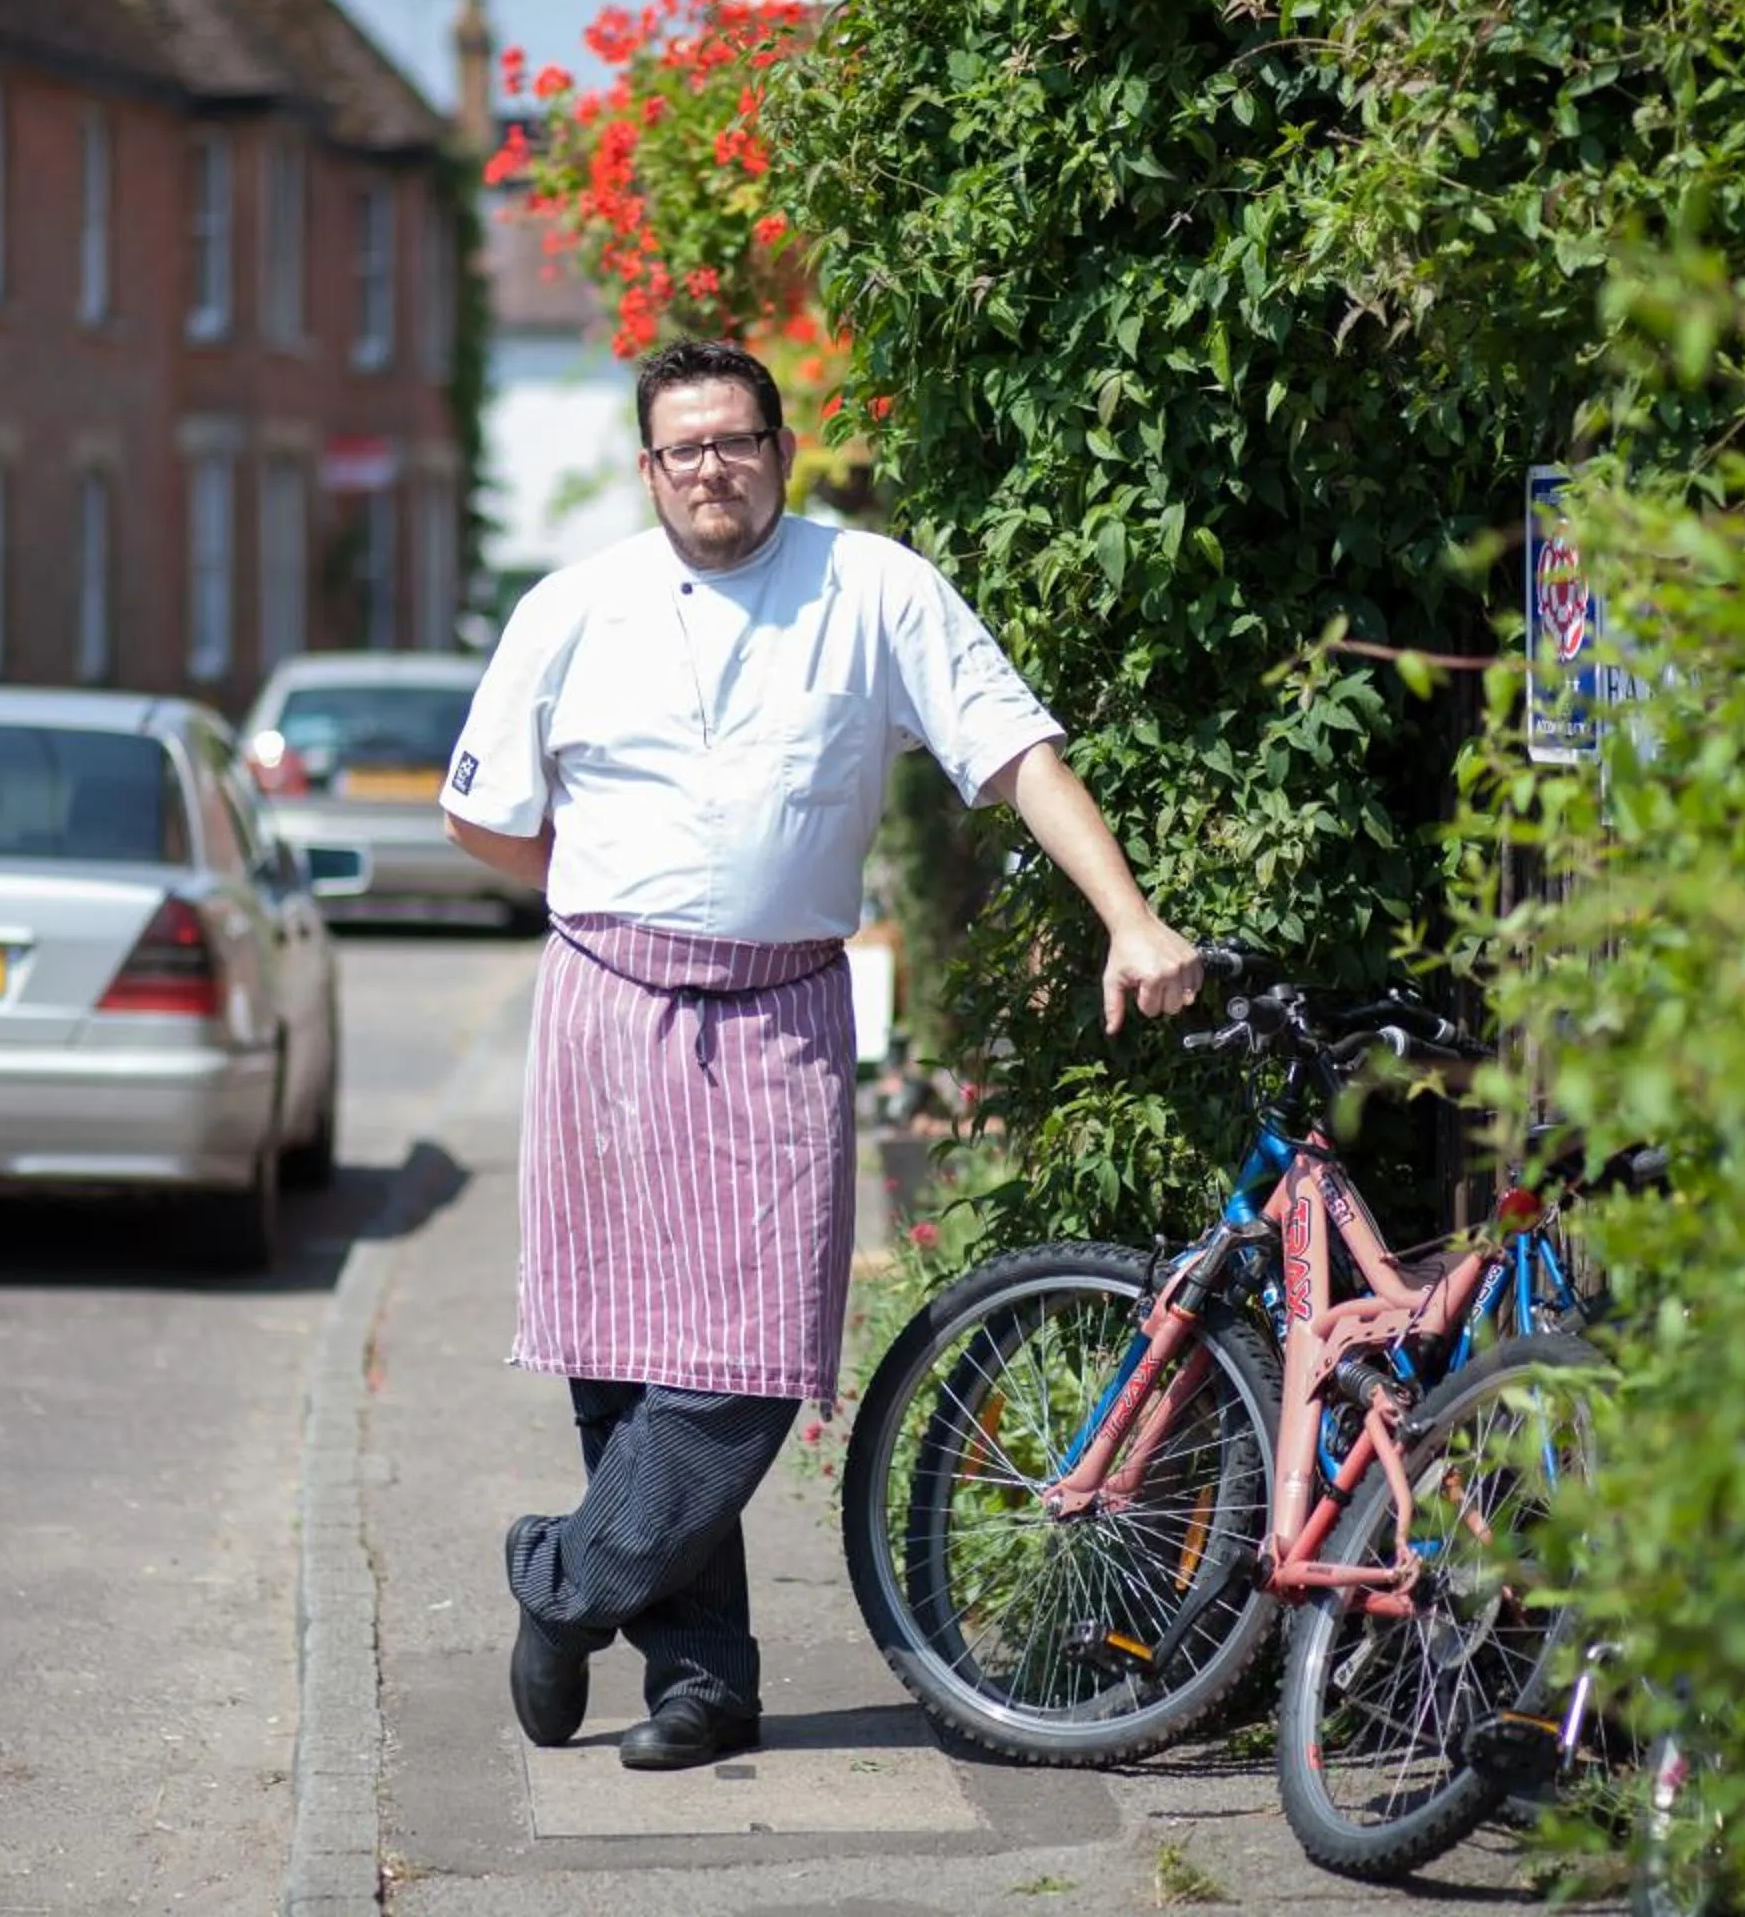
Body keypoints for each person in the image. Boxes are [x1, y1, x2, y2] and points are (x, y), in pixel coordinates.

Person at [439, 338, 1202, 1771]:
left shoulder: (876, 589)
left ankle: (563, 1580)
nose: (712, 466)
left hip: (787, 1005)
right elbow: (478, 813)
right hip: (608, 999)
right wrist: (601, 879)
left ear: (781, 449)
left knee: (752, 1358)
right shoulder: (573, 608)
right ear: (649, 467)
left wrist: (1131, 918)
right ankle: (704, 1685)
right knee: (623, 1358)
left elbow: (1016, 750)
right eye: (684, 448)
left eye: (737, 439)